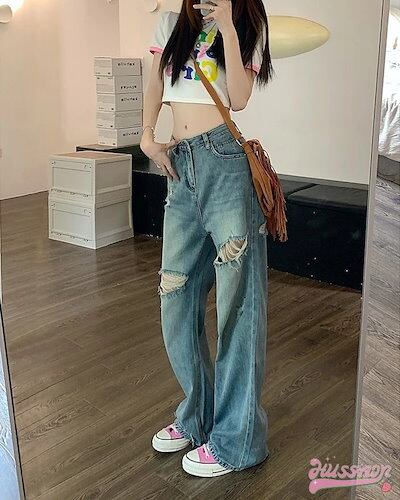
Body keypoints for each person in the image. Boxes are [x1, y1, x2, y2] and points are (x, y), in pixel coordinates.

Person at [140, 0, 274, 478]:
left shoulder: (248, 22)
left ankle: (238, 441)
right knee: (175, 296)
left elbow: (238, 97)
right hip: (180, 164)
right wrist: (147, 136)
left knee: (238, 306)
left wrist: (229, 31)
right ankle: (197, 414)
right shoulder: (170, 22)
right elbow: (156, 82)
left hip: (224, 164)